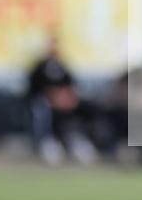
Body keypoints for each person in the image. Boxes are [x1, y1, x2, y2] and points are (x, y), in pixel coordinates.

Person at [26, 37, 96, 165]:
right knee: (42, 109)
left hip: (63, 103)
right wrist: (53, 96)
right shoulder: (40, 67)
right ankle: (48, 141)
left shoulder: (63, 67)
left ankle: (76, 139)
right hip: (45, 101)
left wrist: (67, 97)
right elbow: (34, 88)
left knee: (81, 109)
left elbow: (70, 85)